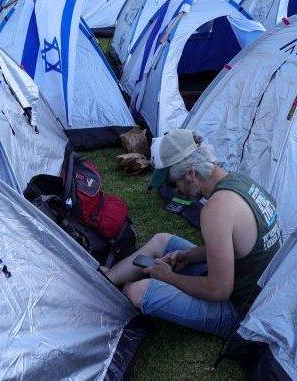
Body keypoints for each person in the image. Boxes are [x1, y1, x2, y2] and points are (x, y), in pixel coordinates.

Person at [104, 130, 283, 337]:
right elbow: (236, 246)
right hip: (257, 288)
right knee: (162, 240)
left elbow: (218, 290)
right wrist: (189, 256)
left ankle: (116, 289)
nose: (175, 190)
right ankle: (106, 280)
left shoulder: (216, 209)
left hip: (242, 312)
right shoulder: (238, 182)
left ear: (191, 174)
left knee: (137, 291)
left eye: (173, 183)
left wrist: (168, 277)